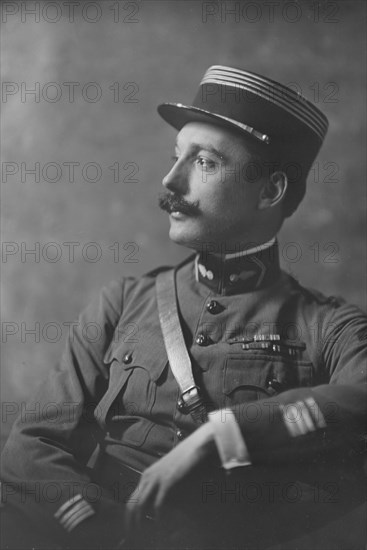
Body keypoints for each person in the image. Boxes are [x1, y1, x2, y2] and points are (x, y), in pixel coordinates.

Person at [1, 65, 366, 550]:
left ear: (270, 190)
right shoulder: (123, 302)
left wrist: (224, 434)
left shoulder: (328, 326)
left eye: (206, 163)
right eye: (177, 157)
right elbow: (31, 445)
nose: (171, 181)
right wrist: (99, 531)